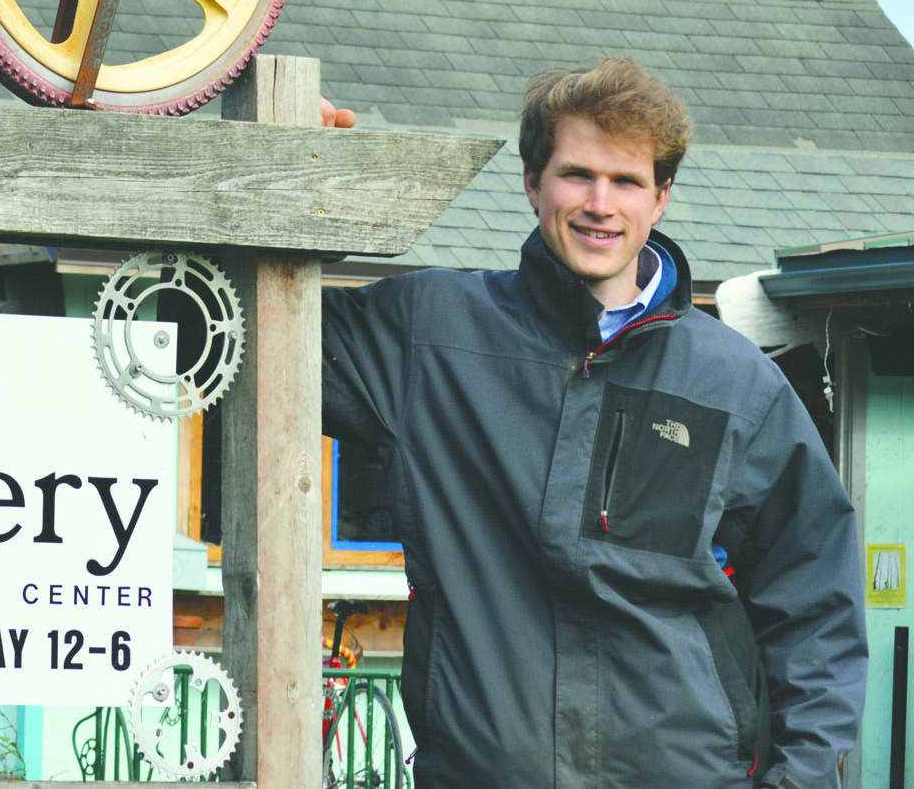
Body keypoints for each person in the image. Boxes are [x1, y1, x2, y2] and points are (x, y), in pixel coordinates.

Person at [321, 57, 864, 788]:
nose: (599, 204)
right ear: (532, 183)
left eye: (627, 181)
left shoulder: (737, 385)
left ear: (661, 198)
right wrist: (300, 182)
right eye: (577, 174)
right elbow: (224, 336)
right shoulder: (429, 335)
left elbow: (815, 605)